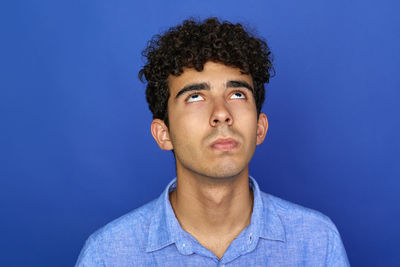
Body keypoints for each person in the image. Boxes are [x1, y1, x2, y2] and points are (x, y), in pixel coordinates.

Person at [75, 17, 350, 266]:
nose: (221, 114)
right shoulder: (107, 255)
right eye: (195, 96)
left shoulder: (317, 242)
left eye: (238, 94)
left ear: (260, 128)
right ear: (163, 134)